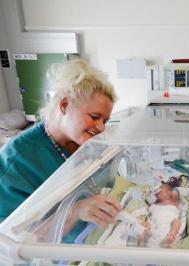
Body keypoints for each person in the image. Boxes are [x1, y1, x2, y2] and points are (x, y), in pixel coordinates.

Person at [0, 59, 122, 242]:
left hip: (97, 237)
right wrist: (74, 211)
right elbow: (11, 242)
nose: (101, 128)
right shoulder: (17, 161)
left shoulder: (83, 143)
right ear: (65, 105)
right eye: (95, 117)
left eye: (104, 121)